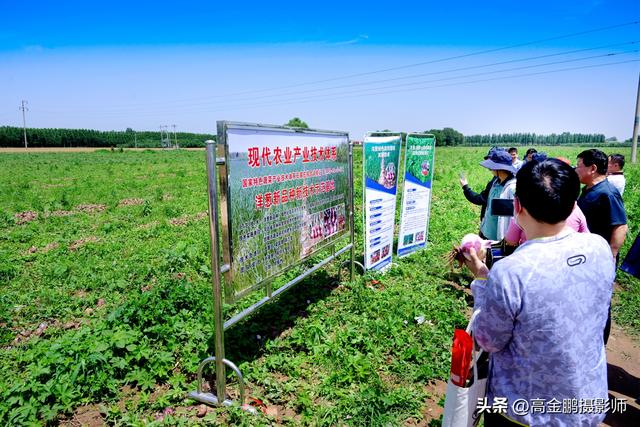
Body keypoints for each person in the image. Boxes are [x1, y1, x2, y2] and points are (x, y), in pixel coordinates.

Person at [464, 159, 615, 426]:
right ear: (573, 203)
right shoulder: (599, 247)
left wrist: (483, 280)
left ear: (517, 206)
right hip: (584, 401)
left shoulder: (512, 271)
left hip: (527, 411)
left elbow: (488, 340)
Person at [504, 156, 589, 245]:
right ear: (573, 205)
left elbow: (511, 240)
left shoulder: (515, 259)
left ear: (517, 205)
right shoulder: (600, 245)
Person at [575, 149, 628, 259]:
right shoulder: (589, 188)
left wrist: (611, 256)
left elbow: (620, 226)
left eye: (579, 166)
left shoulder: (608, 193)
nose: (576, 170)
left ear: (593, 168)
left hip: (600, 255)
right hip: (587, 251)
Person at [459, 147, 502, 238]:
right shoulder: (497, 180)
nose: (488, 166)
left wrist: (466, 187)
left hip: (493, 232)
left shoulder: (502, 184)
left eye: (491, 161)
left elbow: (480, 199)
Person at [478, 149, 516, 241]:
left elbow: (512, 218)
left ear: (499, 169)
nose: (490, 169)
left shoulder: (512, 188)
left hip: (498, 236)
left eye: (492, 167)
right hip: (486, 231)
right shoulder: (495, 182)